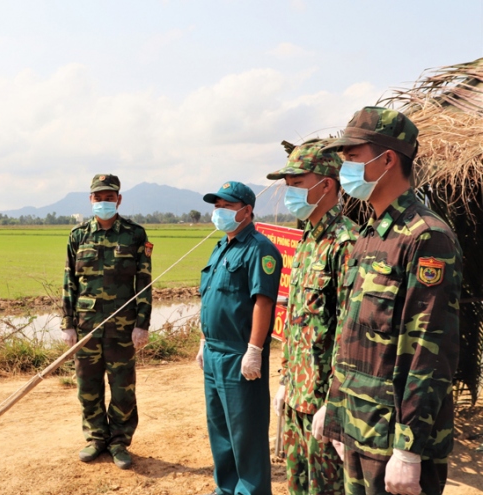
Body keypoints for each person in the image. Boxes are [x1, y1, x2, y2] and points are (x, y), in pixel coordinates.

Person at [321, 107, 462, 495]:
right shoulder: (368, 235)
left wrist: (410, 450)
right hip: (357, 426)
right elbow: (351, 335)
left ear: (386, 159)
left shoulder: (427, 238)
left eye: (352, 156)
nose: (343, 166)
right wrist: (334, 411)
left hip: (393, 442)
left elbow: (428, 351)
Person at [266, 139, 358, 494]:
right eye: (287, 185)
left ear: (326, 185)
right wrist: (286, 379)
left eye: (297, 184)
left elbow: (349, 332)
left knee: (326, 488)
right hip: (297, 396)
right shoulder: (308, 241)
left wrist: (335, 402)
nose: (289, 193)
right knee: (296, 484)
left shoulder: (345, 242)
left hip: (324, 402)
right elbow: (297, 323)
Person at [61, 174, 153, 470]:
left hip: (122, 327)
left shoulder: (135, 235)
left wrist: (142, 323)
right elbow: (69, 283)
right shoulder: (78, 236)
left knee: (123, 387)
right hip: (87, 326)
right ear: (91, 199)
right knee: (87, 387)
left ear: (119, 199)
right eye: (98, 197)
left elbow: (144, 283)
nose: (104, 202)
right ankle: (96, 438)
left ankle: (119, 442)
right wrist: (68, 324)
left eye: (109, 197)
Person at [196, 180, 281, 495]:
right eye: (217, 206)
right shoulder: (221, 247)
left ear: (246, 211)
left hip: (239, 354)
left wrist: (255, 349)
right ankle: (226, 489)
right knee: (220, 430)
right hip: (215, 352)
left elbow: (263, 301)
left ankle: (251, 491)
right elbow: (211, 298)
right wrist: (203, 342)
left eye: (227, 206)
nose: (220, 212)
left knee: (246, 433)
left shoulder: (259, 249)